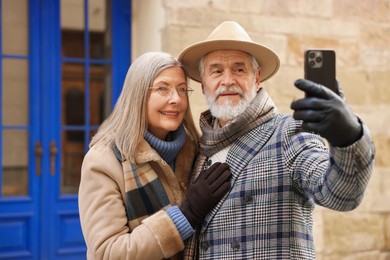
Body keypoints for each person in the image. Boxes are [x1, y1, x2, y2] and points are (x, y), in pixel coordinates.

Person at [178, 21, 375, 259]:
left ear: (257, 77)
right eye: (216, 71)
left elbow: (341, 194)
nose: (227, 80)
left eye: (239, 69)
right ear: (203, 83)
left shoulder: (288, 133)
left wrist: (347, 136)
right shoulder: (197, 151)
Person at [78, 51, 231, 260]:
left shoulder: (195, 149)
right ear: (138, 95)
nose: (176, 99)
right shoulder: (104, 161)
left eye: (182, 89)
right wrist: (186, 214)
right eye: (162, 88)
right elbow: (108, 252)